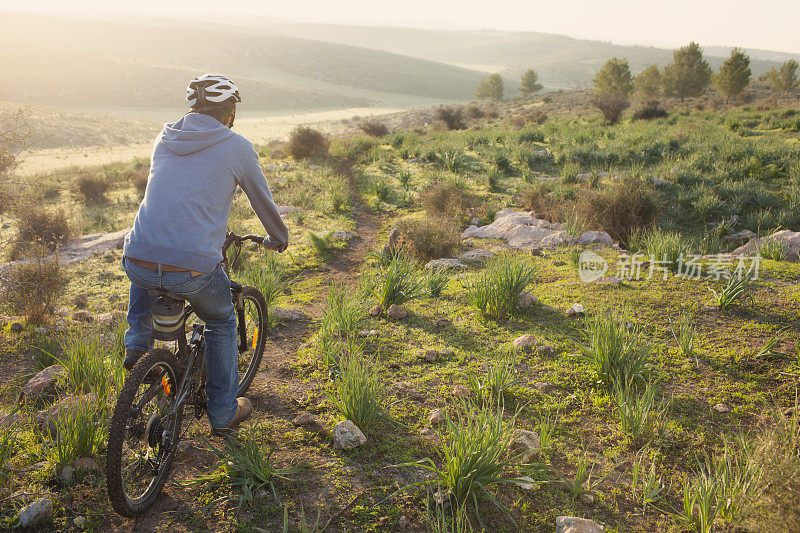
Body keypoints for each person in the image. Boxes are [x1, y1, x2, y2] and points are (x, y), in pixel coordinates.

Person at [121, 74, 289, 436]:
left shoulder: (164, 137)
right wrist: (278, 237)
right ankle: (223, 411)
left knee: (146, 267)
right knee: (222, 322)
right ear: (229, 111)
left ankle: (137, 348)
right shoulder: (237, 147)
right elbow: (263, 201)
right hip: (194, 267)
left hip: (136, 255)